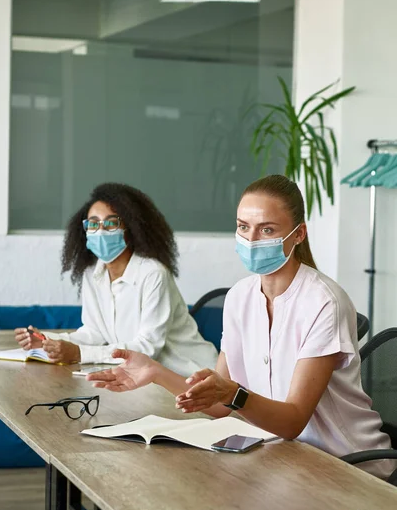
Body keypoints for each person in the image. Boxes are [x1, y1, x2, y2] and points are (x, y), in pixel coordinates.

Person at [88, 175, 393, 478]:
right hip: (284, 458)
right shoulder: (240, 297)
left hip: (347, 466)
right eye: (243, 227)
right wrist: (155, 372)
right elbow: (221, 405)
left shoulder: (324, 302)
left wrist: (234, 394)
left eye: (267, 229)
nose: (251, 239)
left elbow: (292, 421)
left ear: (299, 234)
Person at [14, 183, 218, 376]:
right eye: (93, 224)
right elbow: (95, 333)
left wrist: (78, 353)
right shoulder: (92, 274)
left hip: (191, 376)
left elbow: (148, 348)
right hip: (143, 378)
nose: (100, 231)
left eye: (111, 223)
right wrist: (47, 341)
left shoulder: (153, 273)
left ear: (131, 228)